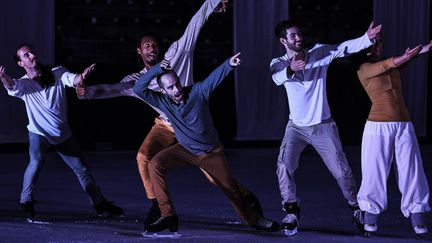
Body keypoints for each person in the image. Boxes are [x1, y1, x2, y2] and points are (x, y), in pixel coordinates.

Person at [76, 0, 263, 227]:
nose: (152, 48)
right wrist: (86, 92)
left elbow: (195, 25)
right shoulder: (137, 81)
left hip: (190, 123)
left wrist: (213, 3)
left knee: (211, 175)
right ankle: (158, 205)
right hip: (166, 124)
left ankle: (245, 196)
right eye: (146, 46)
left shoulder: (176, 54)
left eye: (154, 45)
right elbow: (112, 89)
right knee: (144, 157)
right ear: (139, 51)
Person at [133, 53, 280, 234]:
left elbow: (213, 79)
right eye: (170, 87)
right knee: (154, 164)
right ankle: (168, 215)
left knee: (230, 189)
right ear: (163, 91)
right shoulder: (163, 102)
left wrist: (229, 64)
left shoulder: (197, 93)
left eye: (177, 83)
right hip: (185, 149)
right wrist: (157, 69)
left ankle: (254, 220)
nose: (177, 89)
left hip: (210, 152)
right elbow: (139, 88)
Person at [270, 20, 382, 236]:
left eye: (299, 34)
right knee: (284, 167)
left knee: (341, 171)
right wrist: (291, 69)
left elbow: (343, 48)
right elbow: (276, 78)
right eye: (293, 36)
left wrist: (366, 38)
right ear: (283, 41)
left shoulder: (319, 53)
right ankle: (292, 211)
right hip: (296, 128)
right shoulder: (279, 62)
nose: (298, 38)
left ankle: (355, 207)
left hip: (323, 125)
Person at [0, 44, 124, 221]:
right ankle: (25, 201)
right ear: (21, 63)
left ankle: (100, 204)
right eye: (27, 55)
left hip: (61, 133)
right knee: (36, 161)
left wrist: (82, 76)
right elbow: (12, 86)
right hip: (39, 132)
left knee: (81, 169)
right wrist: (3, 77)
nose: (32, 55)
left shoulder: (57, 71)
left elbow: (73, 79)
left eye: (32, 52)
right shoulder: (25, 84)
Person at [355, 34, 431, 237]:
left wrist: (423, 49)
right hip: (377, 127)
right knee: (374, 170)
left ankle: (417, 212)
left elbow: (398, 63)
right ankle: (370, 212)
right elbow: (388, 65)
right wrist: (405, 57)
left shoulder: (391, 65)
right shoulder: (364, 69)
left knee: (412, 169)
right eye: (375, 42)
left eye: (380, 41)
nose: (380, 44)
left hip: (404, 125)